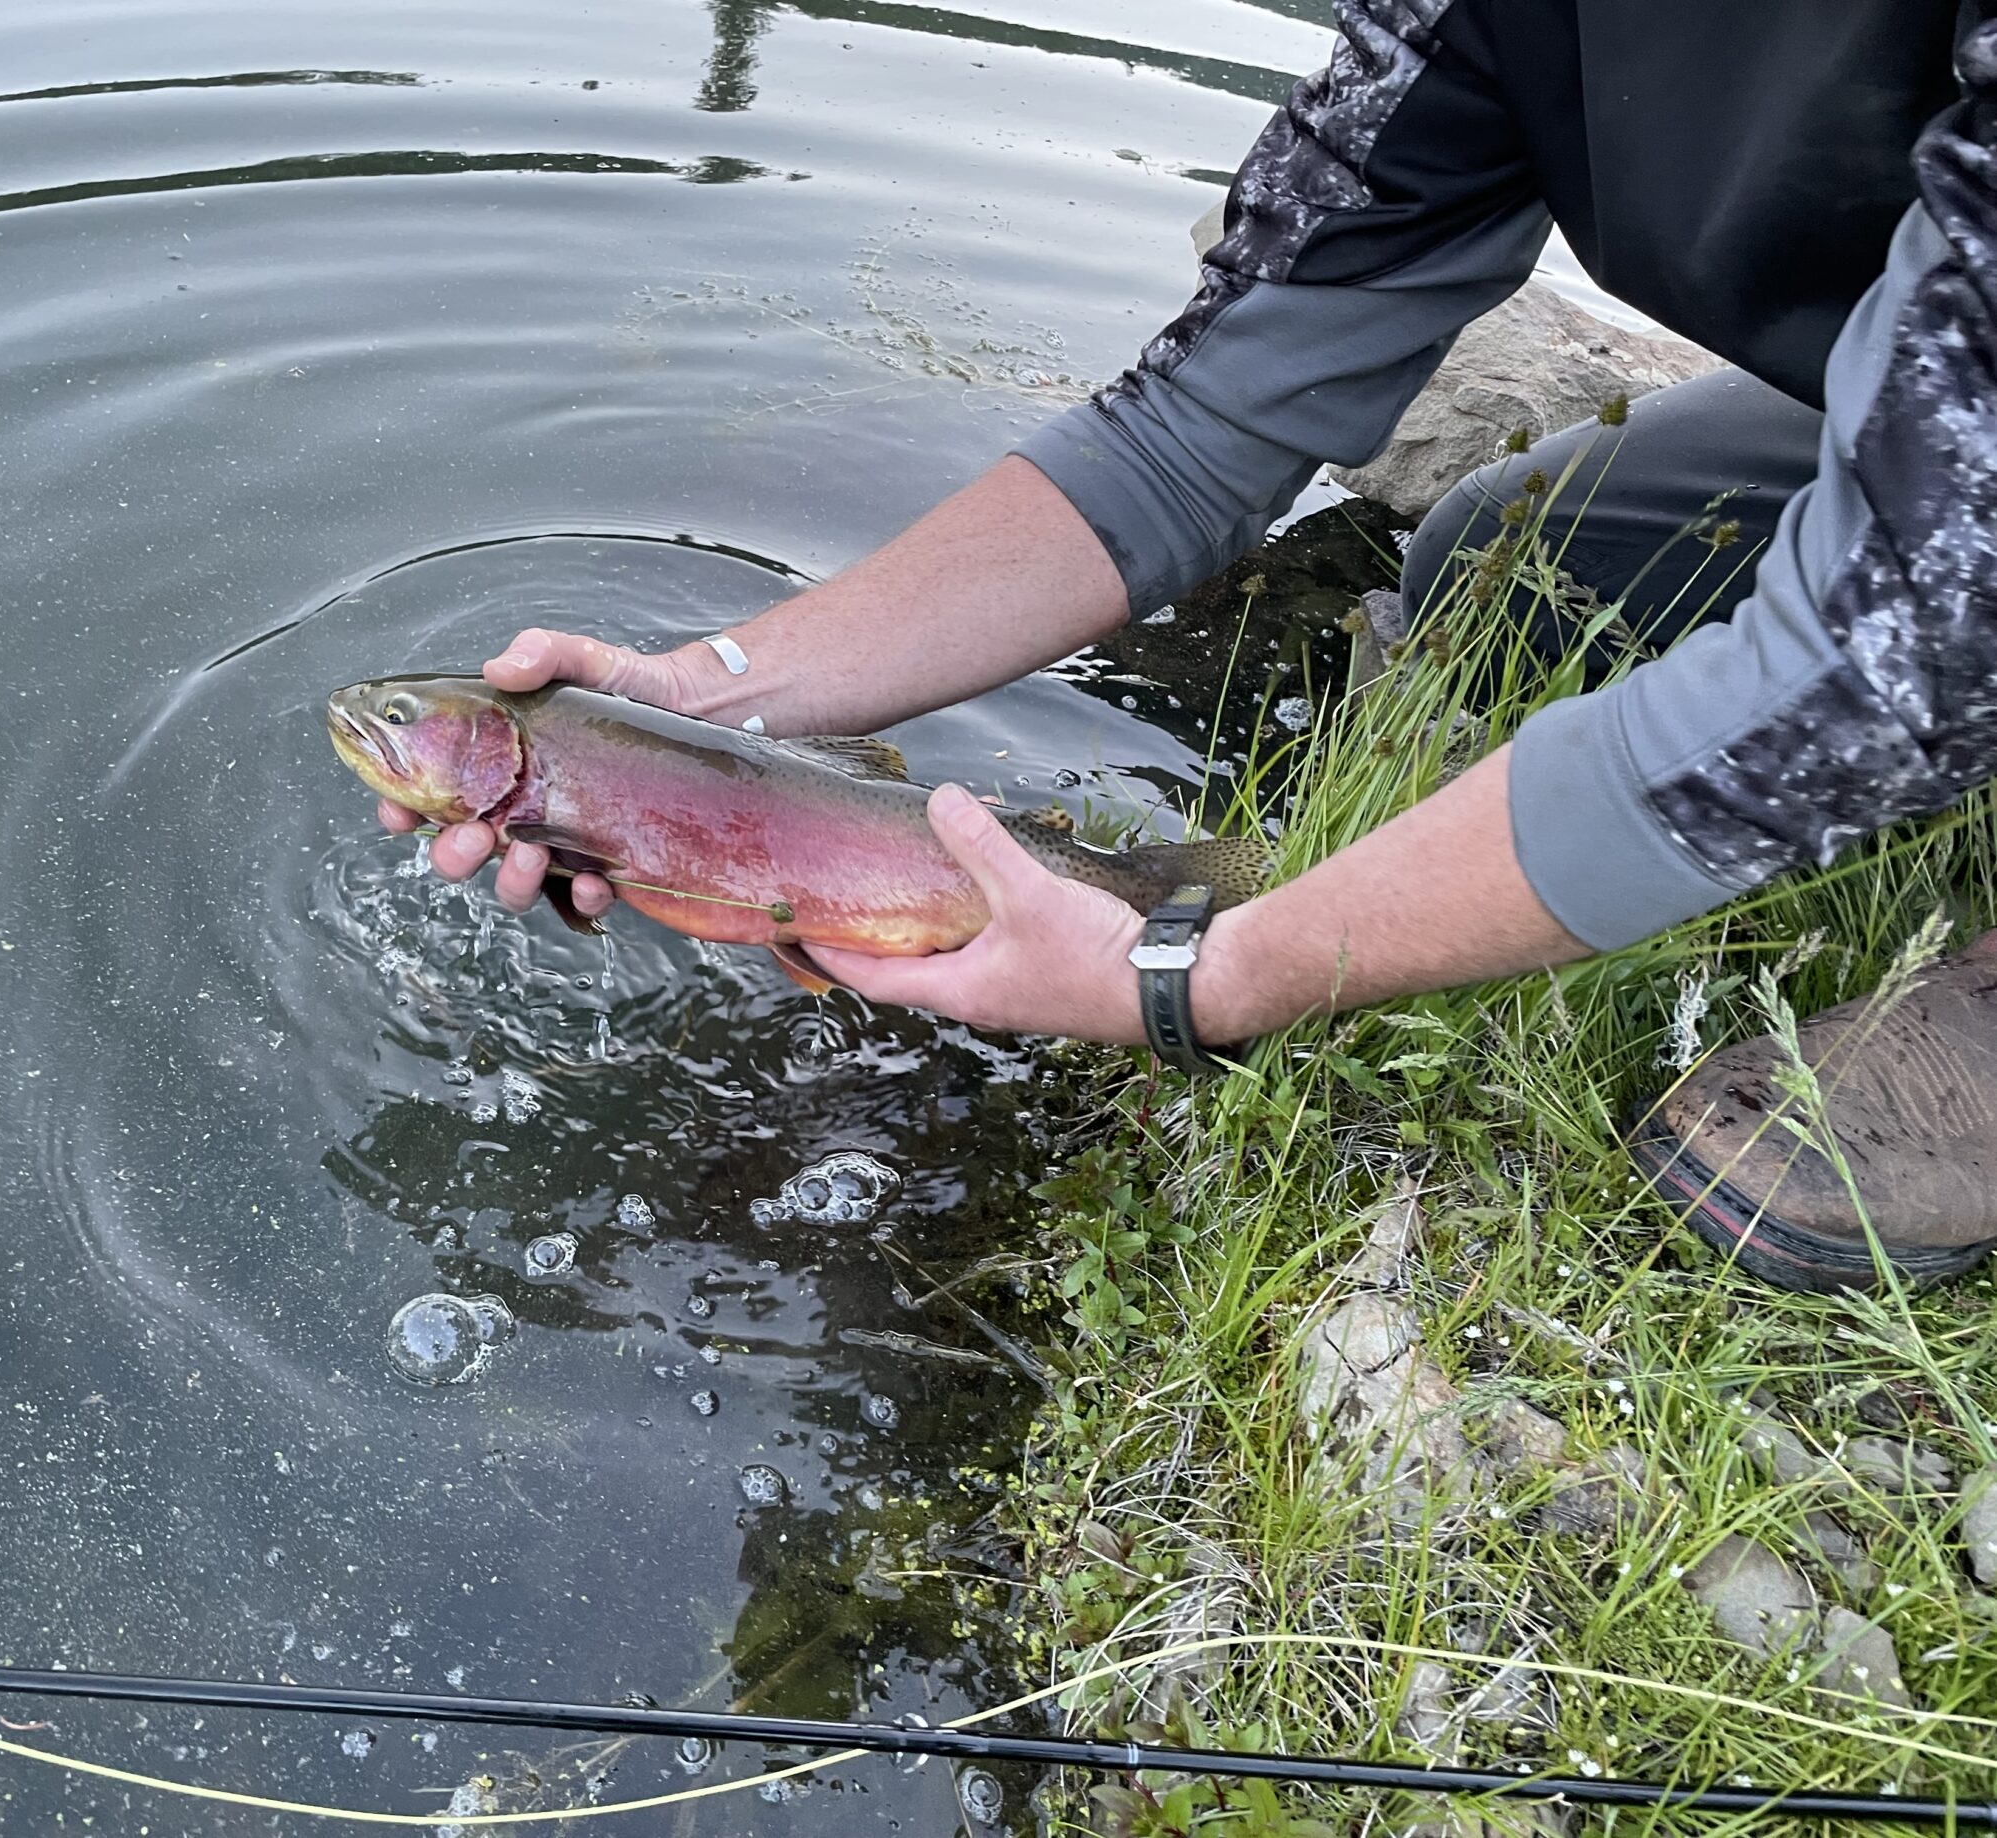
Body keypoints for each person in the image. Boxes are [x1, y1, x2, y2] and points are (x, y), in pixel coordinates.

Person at [380, 2, 1997, 1294]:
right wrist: (704, 704)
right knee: (1511, 573)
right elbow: (1201, 420)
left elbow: (1884, 651)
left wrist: (1200, 976)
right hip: (1926, 387)